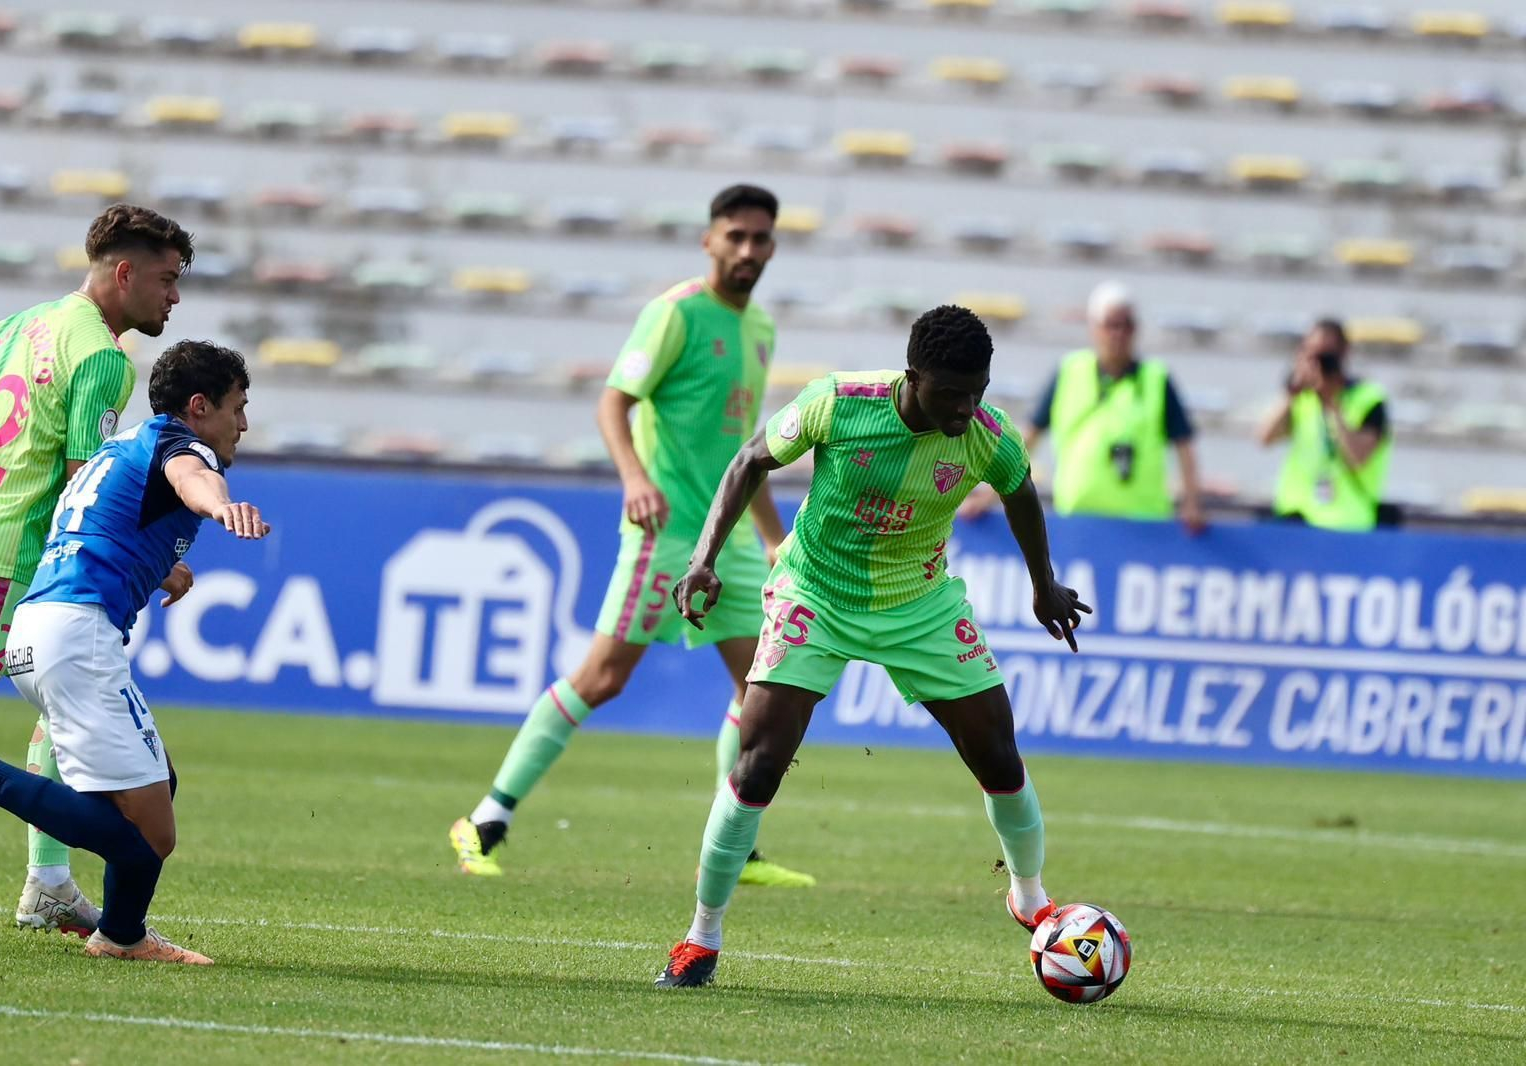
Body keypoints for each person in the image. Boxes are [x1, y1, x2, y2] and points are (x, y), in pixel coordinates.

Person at [654, 305, 1091, 987]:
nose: (967, 407)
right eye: (952, 393)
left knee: (999, 754)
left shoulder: (985, 434)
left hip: (918, 602)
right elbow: (749, 461)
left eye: (977, 391)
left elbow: (1021, 493)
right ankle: (700, 938)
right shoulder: (838, 403)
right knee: (760, 761)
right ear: (913, 376)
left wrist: (1045, 585)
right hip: (816, 594)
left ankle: (1030, 897)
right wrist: (704, 558)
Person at [449, 184, 814, 888]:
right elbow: (613, 401)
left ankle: (734, 846)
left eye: (760, 238)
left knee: (762, 684)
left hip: (731, 536)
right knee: (604, 677)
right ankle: (485, 817)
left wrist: (773, 537)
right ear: (709, 240)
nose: (747, 249)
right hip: (666, 531)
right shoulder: (674, 315)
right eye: (734, 236)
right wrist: (634, 479)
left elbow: (746, 450)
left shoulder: (761, 329)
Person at [0, 340, 266, 965]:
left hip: (39, 627)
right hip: (76, 640)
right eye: (237, 407)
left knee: (158, 781)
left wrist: (163, 567)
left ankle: (114, 928)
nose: (243, 424)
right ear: (199, 407)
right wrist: (220, 505)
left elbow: (94, 520)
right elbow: (193, 481)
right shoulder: (181, 448)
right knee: (147, 839)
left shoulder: (121, 446)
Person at [0, 203, 194, 936]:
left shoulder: (17, 326)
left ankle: (48, 882)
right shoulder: (103, 359)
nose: (175, 297)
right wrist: (147, 559)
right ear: (126, 272)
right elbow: (85, 482)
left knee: (63, 708)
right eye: (168, 280)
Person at [958, 281, 1205, 532]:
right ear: (1094, 328)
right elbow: (1026, 440)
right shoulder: (1069, 372)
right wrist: (990, 496)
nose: (1119, 333)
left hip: (1143, 525)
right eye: (1111, 324)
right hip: (1079, 522)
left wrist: (1192, 502)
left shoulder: (1157, 379)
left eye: (1126, 325)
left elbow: (1184, 446)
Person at [1258, 318, 1392, 531]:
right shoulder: (1300, 398)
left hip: (1347, 524)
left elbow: (1358, 457)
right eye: (1312, 353)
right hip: (1295, 518)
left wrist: (1332, 405)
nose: (1319, 364)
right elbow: (1264, 438)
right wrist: (1291, 393)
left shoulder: (1368, 399)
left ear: (1344, 354)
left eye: (1326, 356)